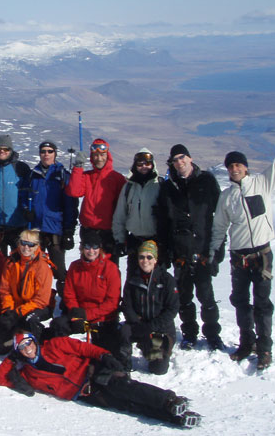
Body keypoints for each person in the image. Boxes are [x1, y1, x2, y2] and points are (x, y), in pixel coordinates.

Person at [210, 108, 275, 370]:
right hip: (238, 257)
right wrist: (214, 253)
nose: (235, 169)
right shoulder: (226, 197)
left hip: (262, 255)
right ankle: (247, 343)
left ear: (246, 167)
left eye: (238, 165)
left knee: (262, 303)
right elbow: (219, 228)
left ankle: (265, 348)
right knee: (240, 302)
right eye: (231, 166)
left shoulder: (263, 183)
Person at [0, 332, 201, 428]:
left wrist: (104, 356)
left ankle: (169, 401)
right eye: (21, 347)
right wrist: (11, 359)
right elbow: (0, 379)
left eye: (29, 343)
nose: (27, 348)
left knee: (128, 389)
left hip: (93, 373)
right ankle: (176, 417)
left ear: (34, 341)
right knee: (127, 405)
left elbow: (83, 348)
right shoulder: (28, 374)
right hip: (84, 394)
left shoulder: (55, 345)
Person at [156, 143, 224, 352]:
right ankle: (189, 334)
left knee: (206, 296)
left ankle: (212, 335)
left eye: (182, 157)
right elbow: (164, 222)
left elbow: (220, 217)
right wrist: (165, 253)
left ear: (190, 158)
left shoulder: (206, 181)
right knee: (184, 298)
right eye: (175, 160)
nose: (179, 162)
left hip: (202, 249)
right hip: (181, 252)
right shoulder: (169, 187)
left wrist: (217, 252)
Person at [51, 232, 121, 354]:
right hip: (79, 315)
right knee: (58, 325)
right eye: (87, 247)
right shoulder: (75, 266)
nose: (91, 251)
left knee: (106, 352)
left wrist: (87, 315)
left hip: (102, 318)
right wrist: (77, 313)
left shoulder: (110, 268)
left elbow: (112, 302)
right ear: (82, 248)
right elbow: (69, 294)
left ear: (100, 248)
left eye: (95, 247)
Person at [24, 140, 79, 296]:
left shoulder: (62, 175)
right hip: (36, 230)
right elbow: (24, 195)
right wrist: (26, 210)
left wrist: (68, 231)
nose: (46, 154)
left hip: (55, 230)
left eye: (49, 151)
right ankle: (37, 299)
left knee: (59, 270)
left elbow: (71, 206)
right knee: (35, 269)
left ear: (55, 153)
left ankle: (66, 300)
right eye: (43, 151)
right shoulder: (33, 175)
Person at [119, 240, 179, 375]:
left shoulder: (166, 279)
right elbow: (127, 305)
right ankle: (124, 362)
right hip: (138, 325)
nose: (145, 261)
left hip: (159, 329)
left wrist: (151, 326)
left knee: (158, 368)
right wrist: (137, 322)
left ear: (155, 259)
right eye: (141, 257)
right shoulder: (133, 279)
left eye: (149, 257)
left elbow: (172, 309)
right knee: (124, 331)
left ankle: (151, 348)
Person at [66, 138, 127, 266]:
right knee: (88, 267)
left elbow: (123, 207)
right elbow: (74, 191)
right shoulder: (87, 176)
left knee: (109, 269)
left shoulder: (117, 178)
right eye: (96, 155)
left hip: (108, 233)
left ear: (107, 156)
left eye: (102, 155)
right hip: (88, 231)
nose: (99, 159)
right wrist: (78, 167)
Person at [0, 229, 54, 353]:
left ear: (37, 246)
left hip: (38, 307)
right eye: (23, 243)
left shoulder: (42, 266)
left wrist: (18, 313)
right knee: (0, 347)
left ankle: (39, 344)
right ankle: (17, 332)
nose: (26, 247)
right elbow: (5, 290)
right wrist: (8, 311)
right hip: (16, 306)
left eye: (31, 244)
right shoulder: (11, 262)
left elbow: (41, 300)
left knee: (30, 320)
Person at [112, 148, 162, 275]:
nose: (144, 167)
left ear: (153, 164)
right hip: (135, 241)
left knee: (156, 279)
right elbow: (120, 215)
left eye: (147, 163)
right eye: (140, 164)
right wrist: (120, 240)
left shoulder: (160, 186)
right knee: (134, 279)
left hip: (155, 241)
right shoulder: (129, 187)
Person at [0, 134, 31, 256]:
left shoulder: (21, 168)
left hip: (18, 226)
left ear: (11, 150)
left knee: (18, 263)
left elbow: (28, 194)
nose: (2, 151)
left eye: (6, 149)